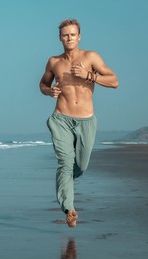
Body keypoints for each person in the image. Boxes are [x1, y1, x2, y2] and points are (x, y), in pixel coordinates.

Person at [39, 19, 118, 227]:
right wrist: (49, 91)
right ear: (60, 38)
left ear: (79, 36)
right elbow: (43, 84)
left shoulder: (90, 57)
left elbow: (114, 81)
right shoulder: (54, 62)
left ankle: (64, 182)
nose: (69, 38)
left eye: (72, 34)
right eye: (65, 35)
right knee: (65, 162)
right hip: (61, 119)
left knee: (80, 167)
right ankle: (69, 209)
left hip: (86, 121)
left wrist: (89, 75)